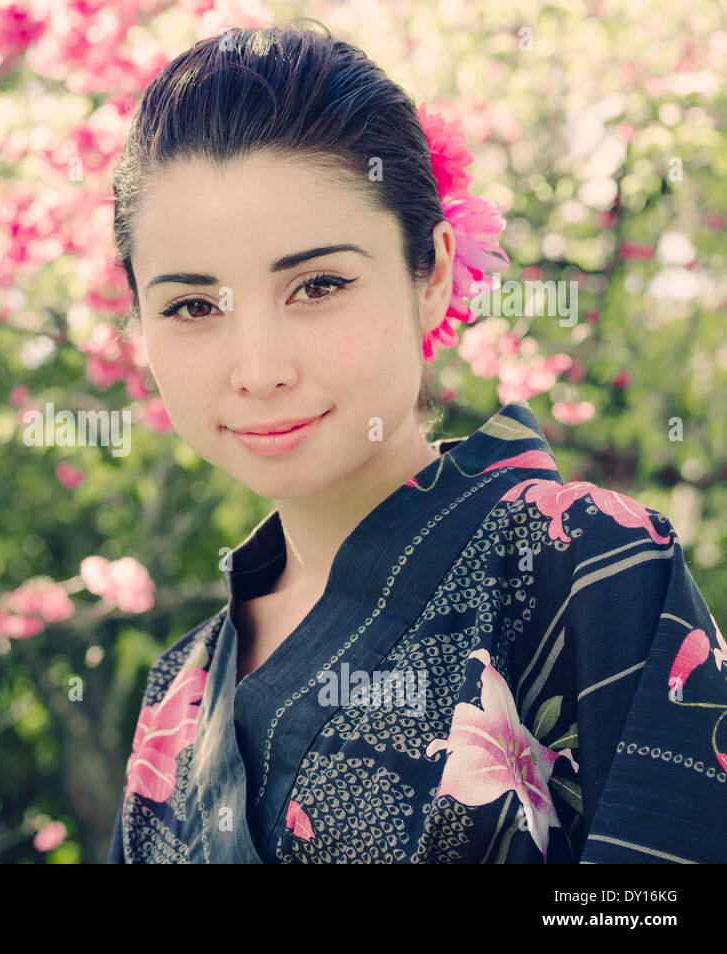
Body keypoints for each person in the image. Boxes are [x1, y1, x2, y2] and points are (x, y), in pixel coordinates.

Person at [106, 22, 726, 863]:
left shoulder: (592, 567)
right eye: (192, 306)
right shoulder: (176, 700)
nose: (257, 369)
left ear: (429, 274)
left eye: (317, 285)